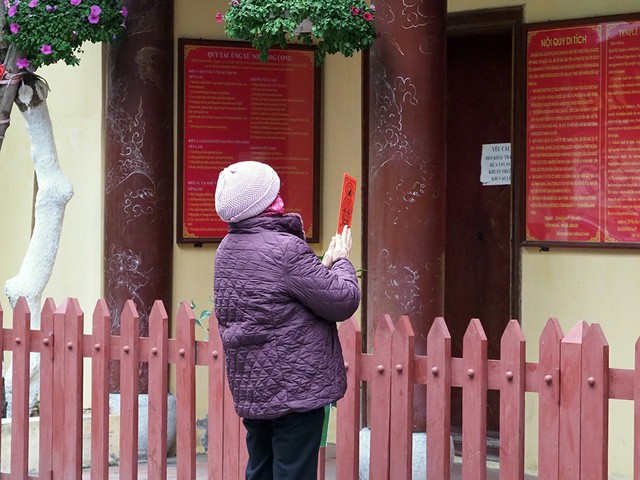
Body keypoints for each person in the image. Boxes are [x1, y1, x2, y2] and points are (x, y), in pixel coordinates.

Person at [213, 160, 361, 480]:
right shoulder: (285, 249)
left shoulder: (227, 249)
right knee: (293, 472)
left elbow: (282, 297)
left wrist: (323, 264)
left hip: (254, 385)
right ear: (266, 202)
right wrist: (342, 263)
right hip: (294, 387)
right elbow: (342, 300)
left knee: (261, 468)